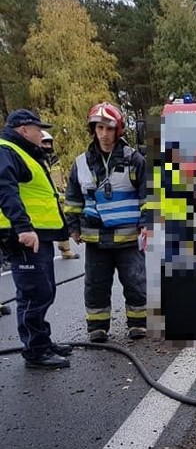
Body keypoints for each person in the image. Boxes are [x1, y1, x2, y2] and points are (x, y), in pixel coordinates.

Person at [65, 102, 149, 342]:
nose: (104, 134)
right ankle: (97, 327)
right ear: (93, 130)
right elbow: (72, 198)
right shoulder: (81, 163)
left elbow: (147, 196)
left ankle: (137, 324)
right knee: (96, 285)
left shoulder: (134, 160)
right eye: (99, 128)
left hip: (128, 237)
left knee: (135, 281)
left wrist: (146, 223)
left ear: (117, 130)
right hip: (95, 239)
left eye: (109, 128)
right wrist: (73, 227)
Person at [0, 109, 72, 368]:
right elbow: (5, 191)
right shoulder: (7, 150)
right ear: (23, 129)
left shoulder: (23, 152)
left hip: (37, 233)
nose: (41, 133)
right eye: (37, 128)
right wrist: (23, 227)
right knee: (33, 292)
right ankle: (35, 350)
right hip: (24, 235)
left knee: (45, 289)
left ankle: (42, 340)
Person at [40, 131, 79, 260]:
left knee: (62, 223)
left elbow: (59, 178)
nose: (47, 146)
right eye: (44, 143)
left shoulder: (54, 159)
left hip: (57, 197)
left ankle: (66, 250)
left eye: (48, 142)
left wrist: (63, 193)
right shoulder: (37, 159)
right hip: (42, 199)